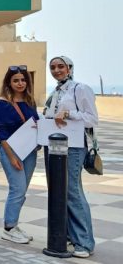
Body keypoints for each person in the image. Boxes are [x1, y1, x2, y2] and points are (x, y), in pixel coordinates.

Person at [42, 56, 97, 258]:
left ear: (70, 68)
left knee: (72, 191)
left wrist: (69, 114)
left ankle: (84, 242)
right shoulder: (55, 92)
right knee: (57, 192)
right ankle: (66, 236)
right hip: (54, 145)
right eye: (53, 67)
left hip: (73, 147)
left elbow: (92, 118)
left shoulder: (80, 89)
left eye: (60, 66)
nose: (56, 70)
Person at [0, 65, 39, 244]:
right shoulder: (2, 103)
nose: (20, 83)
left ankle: (14, 224)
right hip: (11, 151)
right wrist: (11, 157)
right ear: (9, 83)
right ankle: (9, 228)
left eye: (23, 80)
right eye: (16, 80)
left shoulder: (30, 102)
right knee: (17, 189)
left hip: (29, 152)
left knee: (22, 190)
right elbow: (1, 133)